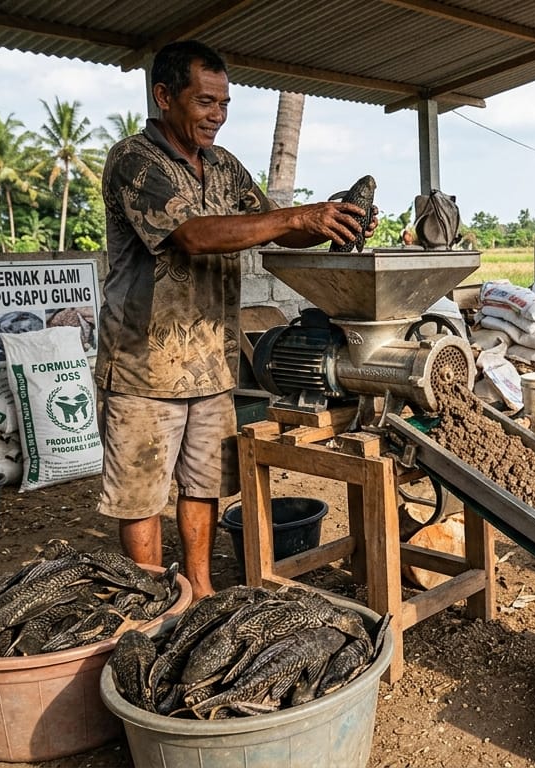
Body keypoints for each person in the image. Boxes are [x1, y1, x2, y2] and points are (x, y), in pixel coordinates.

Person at [95, 40, 376, 597]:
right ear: (164, 96)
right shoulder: (135, 160)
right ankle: (155, 601)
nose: (216, 116)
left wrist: (327, 222)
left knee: (202, 486)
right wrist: (297, 215)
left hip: (211, 364)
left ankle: (198, 589)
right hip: (142, 367)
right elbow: (193, 236)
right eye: (204, 102)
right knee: (143, 494)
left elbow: (269, 224)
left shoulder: (224, 166)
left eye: (223, 104)